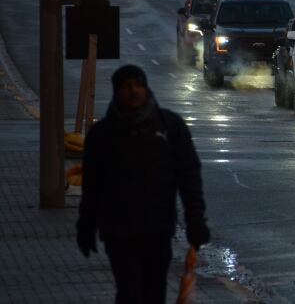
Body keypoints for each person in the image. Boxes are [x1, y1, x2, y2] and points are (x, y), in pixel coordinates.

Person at [77, 64, 210, 304]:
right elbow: (92, 185)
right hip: (119, 231)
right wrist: (86, 225)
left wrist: (196, 221)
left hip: (157, 229)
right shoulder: (103, 134)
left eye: (138, 85)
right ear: (117, 92)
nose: (133, 91)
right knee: (128, 291)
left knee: (153, 292)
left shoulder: (170, 127)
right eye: (127, 87)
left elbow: (189, 178)